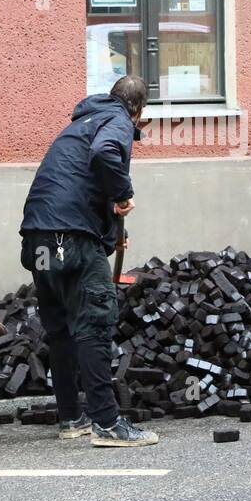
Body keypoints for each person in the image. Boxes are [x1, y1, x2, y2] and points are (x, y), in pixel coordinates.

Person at [20, 75, 158, 448]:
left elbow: (80, 183)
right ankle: (108, 423)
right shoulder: (116, 121)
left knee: (61, 329)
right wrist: (124, 194)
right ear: (137, 110)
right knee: (94, 323)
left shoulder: (80, 123)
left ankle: (71, 418)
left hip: (39, 241)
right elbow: (105, 154)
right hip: (71, 240)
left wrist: (111, 226)